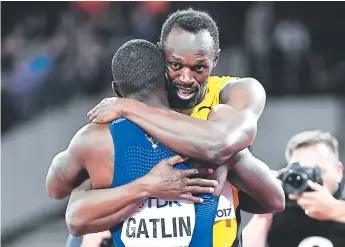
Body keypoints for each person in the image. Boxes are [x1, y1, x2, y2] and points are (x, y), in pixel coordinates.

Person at [86, 8, 284, 247]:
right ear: (161, 55)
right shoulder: (143, 96)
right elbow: (77, 203)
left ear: (215, 59)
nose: (186, 78)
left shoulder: (237, 92)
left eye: (199, 68)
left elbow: (216, 147)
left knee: (230, 155)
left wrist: (131, 108)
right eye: (175, 65)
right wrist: (145, 186)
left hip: (221, 234)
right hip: (153, 230)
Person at [47, 39, 226, 247]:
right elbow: (270, 199)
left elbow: (55, 190)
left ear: (116, 89)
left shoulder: (93, 140)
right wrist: (148, 186)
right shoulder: (206, 128)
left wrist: (139, 186)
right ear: (168, 78)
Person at [243, 130, 345, 247]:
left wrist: (334, 209)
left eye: (317, 172)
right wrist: (266, 208)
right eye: (301, 173)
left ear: (338, 171)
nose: (309, 181)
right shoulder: (283, 205)